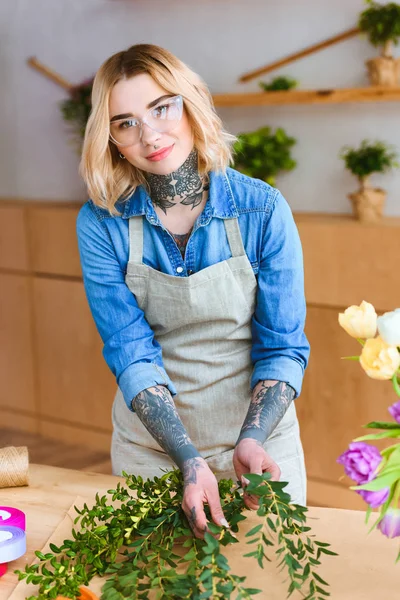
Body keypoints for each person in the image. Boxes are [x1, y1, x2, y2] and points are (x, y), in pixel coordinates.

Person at [76, 43, 310, 539]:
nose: (149, 134)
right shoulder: (102, 224)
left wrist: (252, 440)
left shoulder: (262, 210)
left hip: (260, 447)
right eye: (126, 122)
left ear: (191, 103)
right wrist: (188, 459)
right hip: (154, 454)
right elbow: (130, 352)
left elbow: (283, 347)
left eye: (161, 108)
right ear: (113, 139)